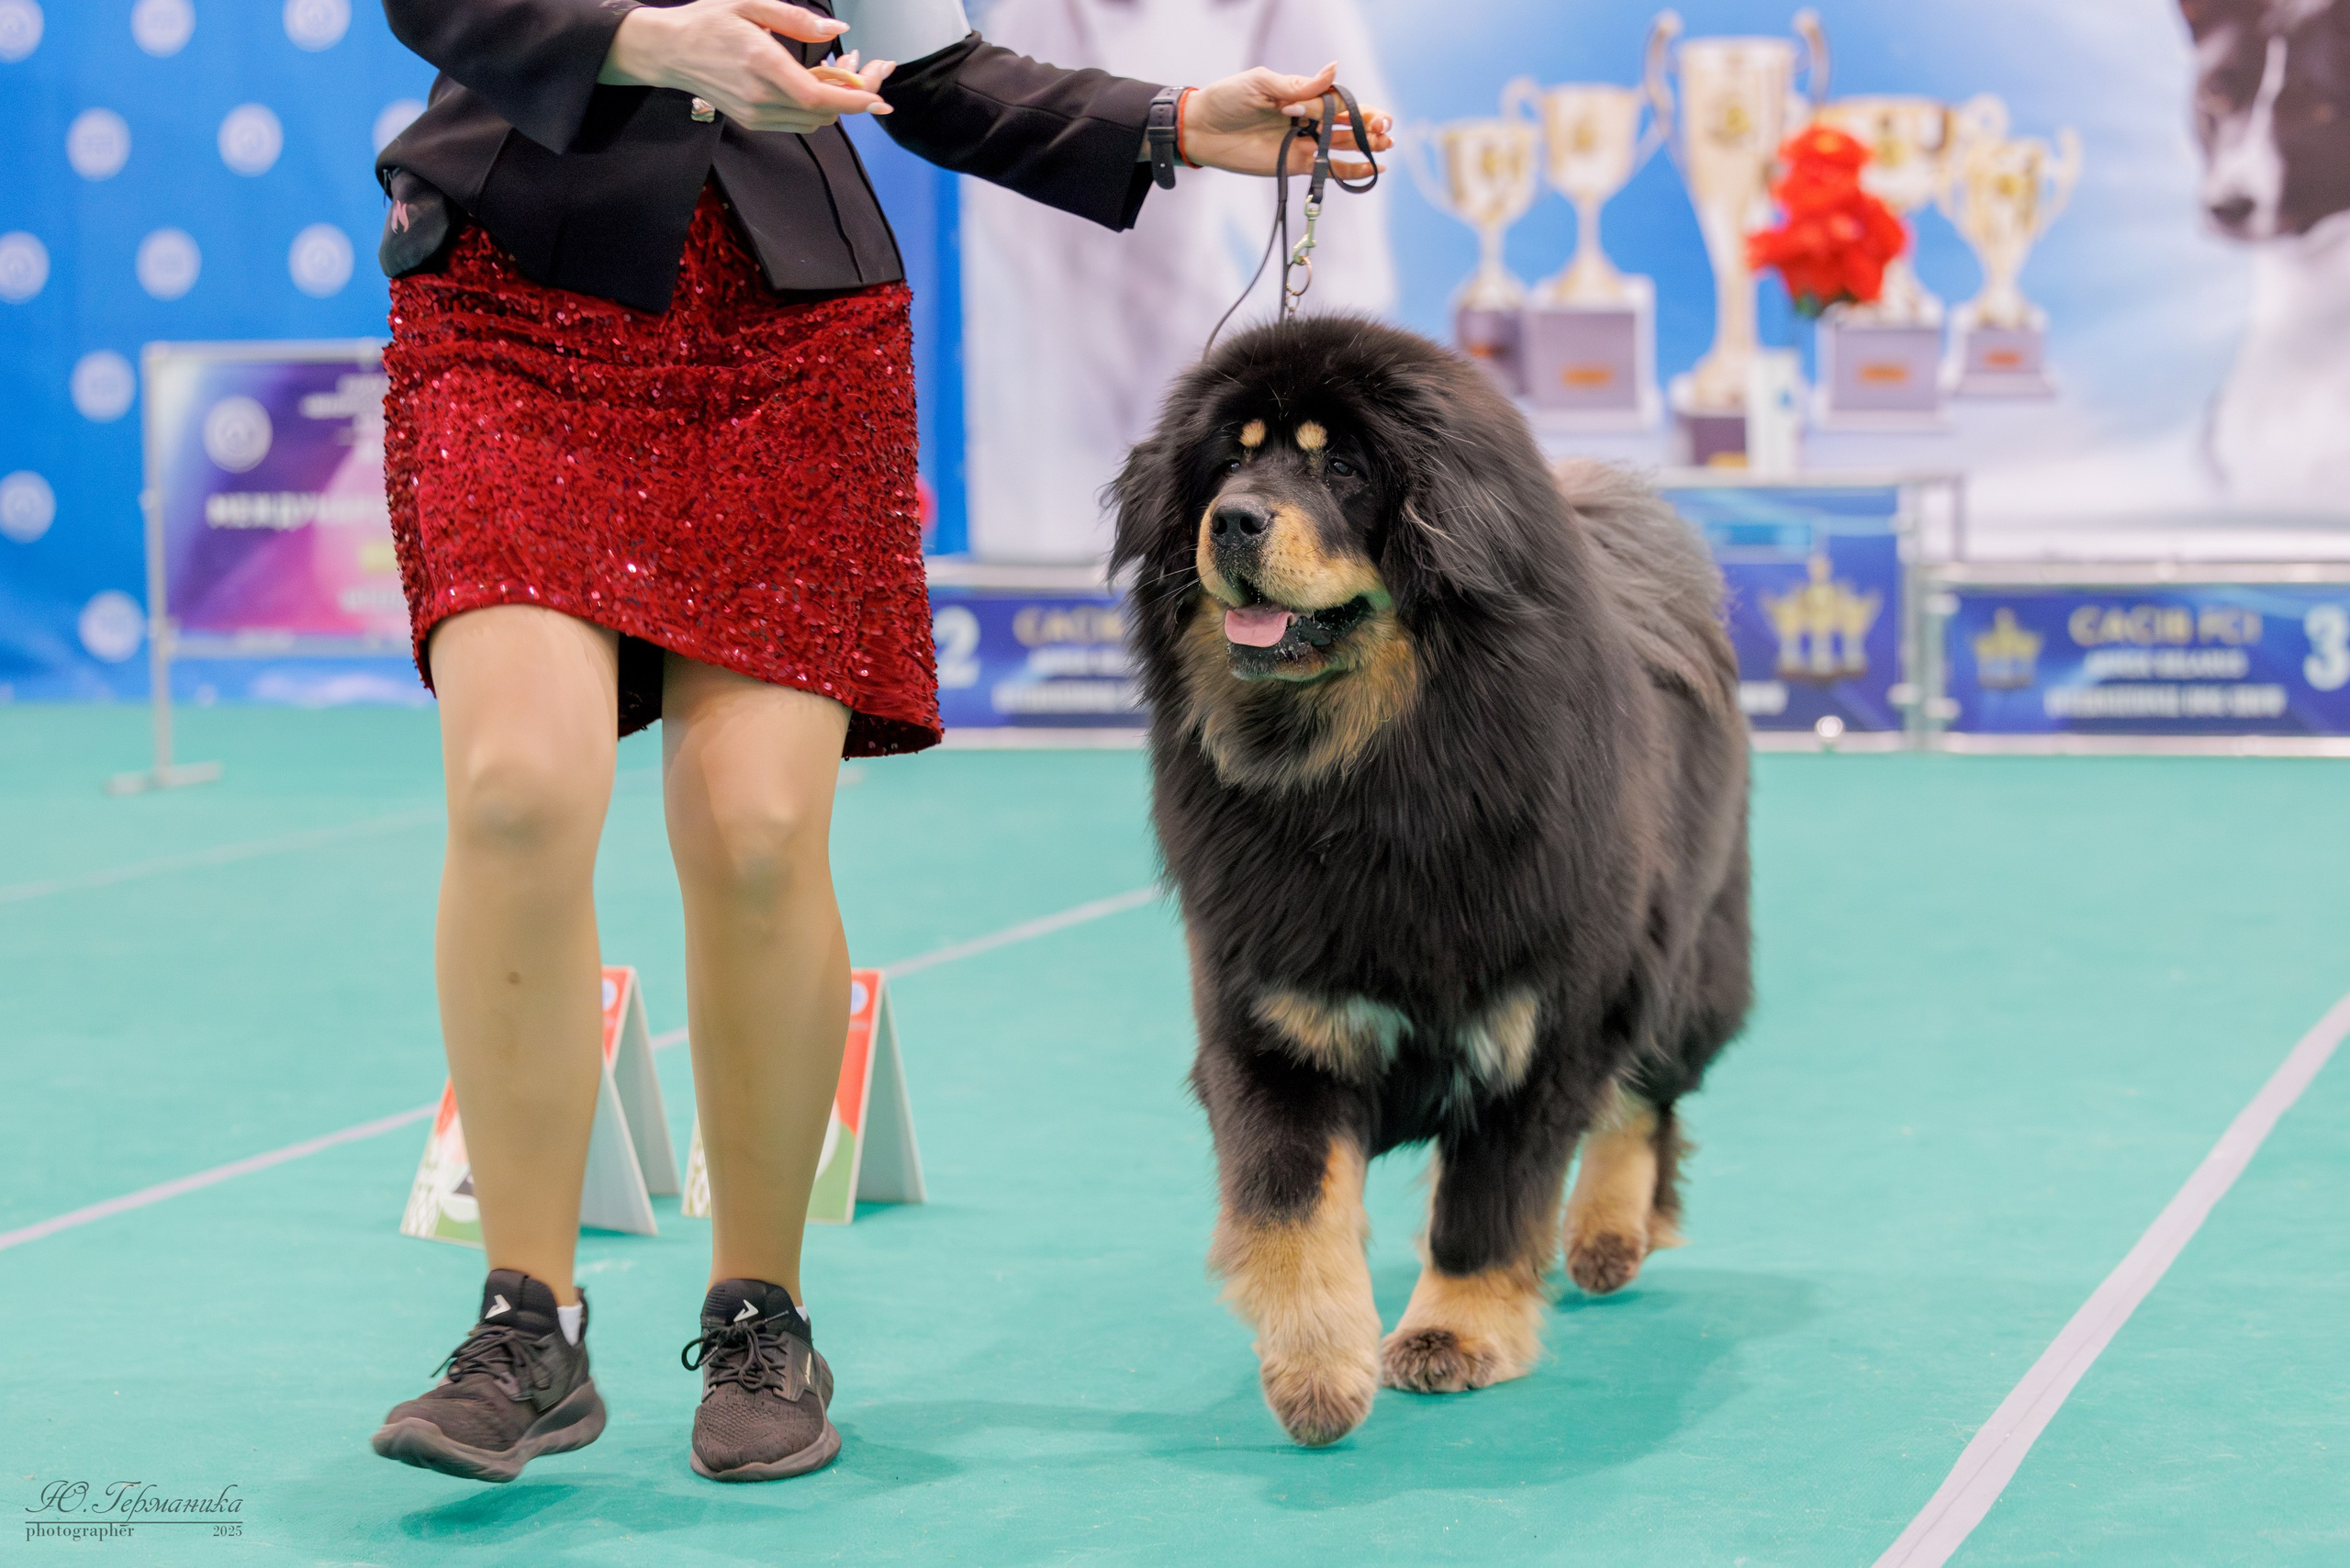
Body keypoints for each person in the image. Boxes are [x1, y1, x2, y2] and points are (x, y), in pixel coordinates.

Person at [362, 0, 1388, 1486]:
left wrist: (1168, 124)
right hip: (514, 306)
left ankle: (759, 1315)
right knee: (518, 790)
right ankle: (528, 1322)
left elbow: (919, 59)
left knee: (761, 835)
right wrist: (652, 41)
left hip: (792, 333)